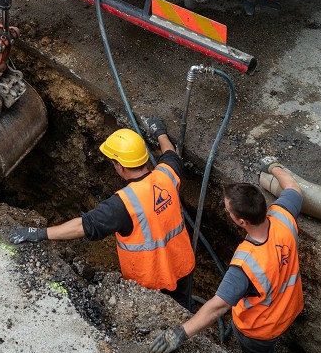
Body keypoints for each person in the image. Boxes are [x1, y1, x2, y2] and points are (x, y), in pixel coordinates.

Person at [10, 115, 196, 303]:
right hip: (183, 267)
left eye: (113, 163)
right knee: (184, 311)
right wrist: (160, 133)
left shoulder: (123, 204)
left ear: (120, 167)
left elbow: (83, 226)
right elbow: (170, 153)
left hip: (151, 285)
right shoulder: (167, 175)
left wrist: (39, 233)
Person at [150, 163, 303, 353]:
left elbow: (217, 308)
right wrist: (273, 167)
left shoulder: (246, 264)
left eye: (228, 210)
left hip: (259, 331)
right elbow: (293, 188)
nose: (226, 211)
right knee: (269, 347)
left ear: (241, 222)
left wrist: (179, 334)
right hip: (289, 310)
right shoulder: (283, 217)